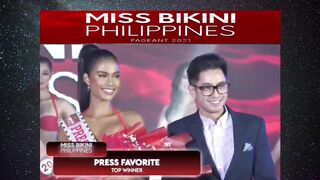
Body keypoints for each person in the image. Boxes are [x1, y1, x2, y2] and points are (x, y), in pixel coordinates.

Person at [168, 53, 276, 180]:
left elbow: (266, 177)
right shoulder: (177, 129)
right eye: (207, 88)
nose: (216, 94)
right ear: (193, 91)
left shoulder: (253, 125)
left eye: (221, 86)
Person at [59, 45, 144, 143]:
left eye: (116, 76)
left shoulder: (132, 120)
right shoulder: (70, 127)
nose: (111, 83)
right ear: (87, 79)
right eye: (102, 75)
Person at [40, 56, 76, 144]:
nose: (40, 78)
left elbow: (83, 144)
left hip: (51, 157)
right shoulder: (15, 105)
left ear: (51, 74)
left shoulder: (63, 105)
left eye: (45, 73)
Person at [157, 63, 196, 128]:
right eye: (185, 77)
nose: (188, 82)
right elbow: (159, 134)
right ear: (179, 79)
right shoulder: (169, 109)